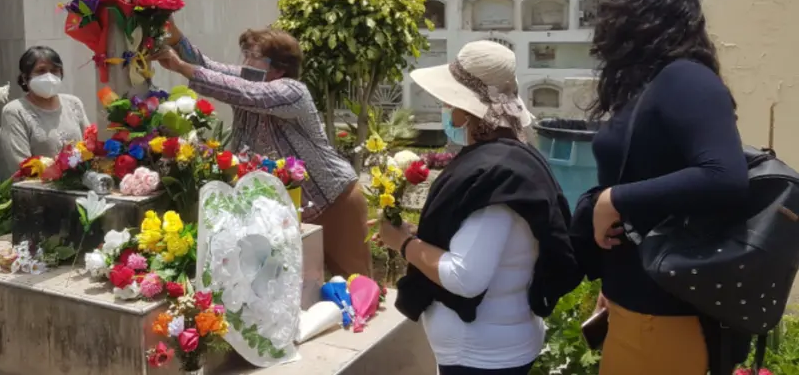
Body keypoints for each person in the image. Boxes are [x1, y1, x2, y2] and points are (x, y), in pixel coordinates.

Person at [570, 0, 749, 375]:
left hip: (666, 321)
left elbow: (725, 175)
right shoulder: (652, 85)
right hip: (637, 311)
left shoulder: (686, 79)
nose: (606, 26)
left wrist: (614, 199)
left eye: (617, 14)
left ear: (645, 21)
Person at [379, 40, 581, 375]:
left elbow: (466, 276)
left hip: (482, 355)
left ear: (468, 109)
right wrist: (418, 236)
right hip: (496, 344)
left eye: (449, 100)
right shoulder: (511, 159)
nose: (445, 107)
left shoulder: (495, 177)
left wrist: (403, 243)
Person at [154, 24, 372, 278]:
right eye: (244, 55)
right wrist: (175, 36)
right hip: (291, 212)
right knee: (303, 290)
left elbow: (246, 93)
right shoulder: (250, 78)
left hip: (334, 202)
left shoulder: (291, 90)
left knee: (355, 283)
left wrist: (179, 66)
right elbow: (207, 66)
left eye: (253, 57)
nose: (245, 63)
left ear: (279, 68)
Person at [0, 46, 91, 169]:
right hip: (36, 186)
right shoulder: (15, 111)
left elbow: (90, 146)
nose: (49, 77)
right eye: (41, 71)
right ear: (25, 78)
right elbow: (21, 166)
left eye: (54, 70)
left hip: (79, 184)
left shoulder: (73, 103)